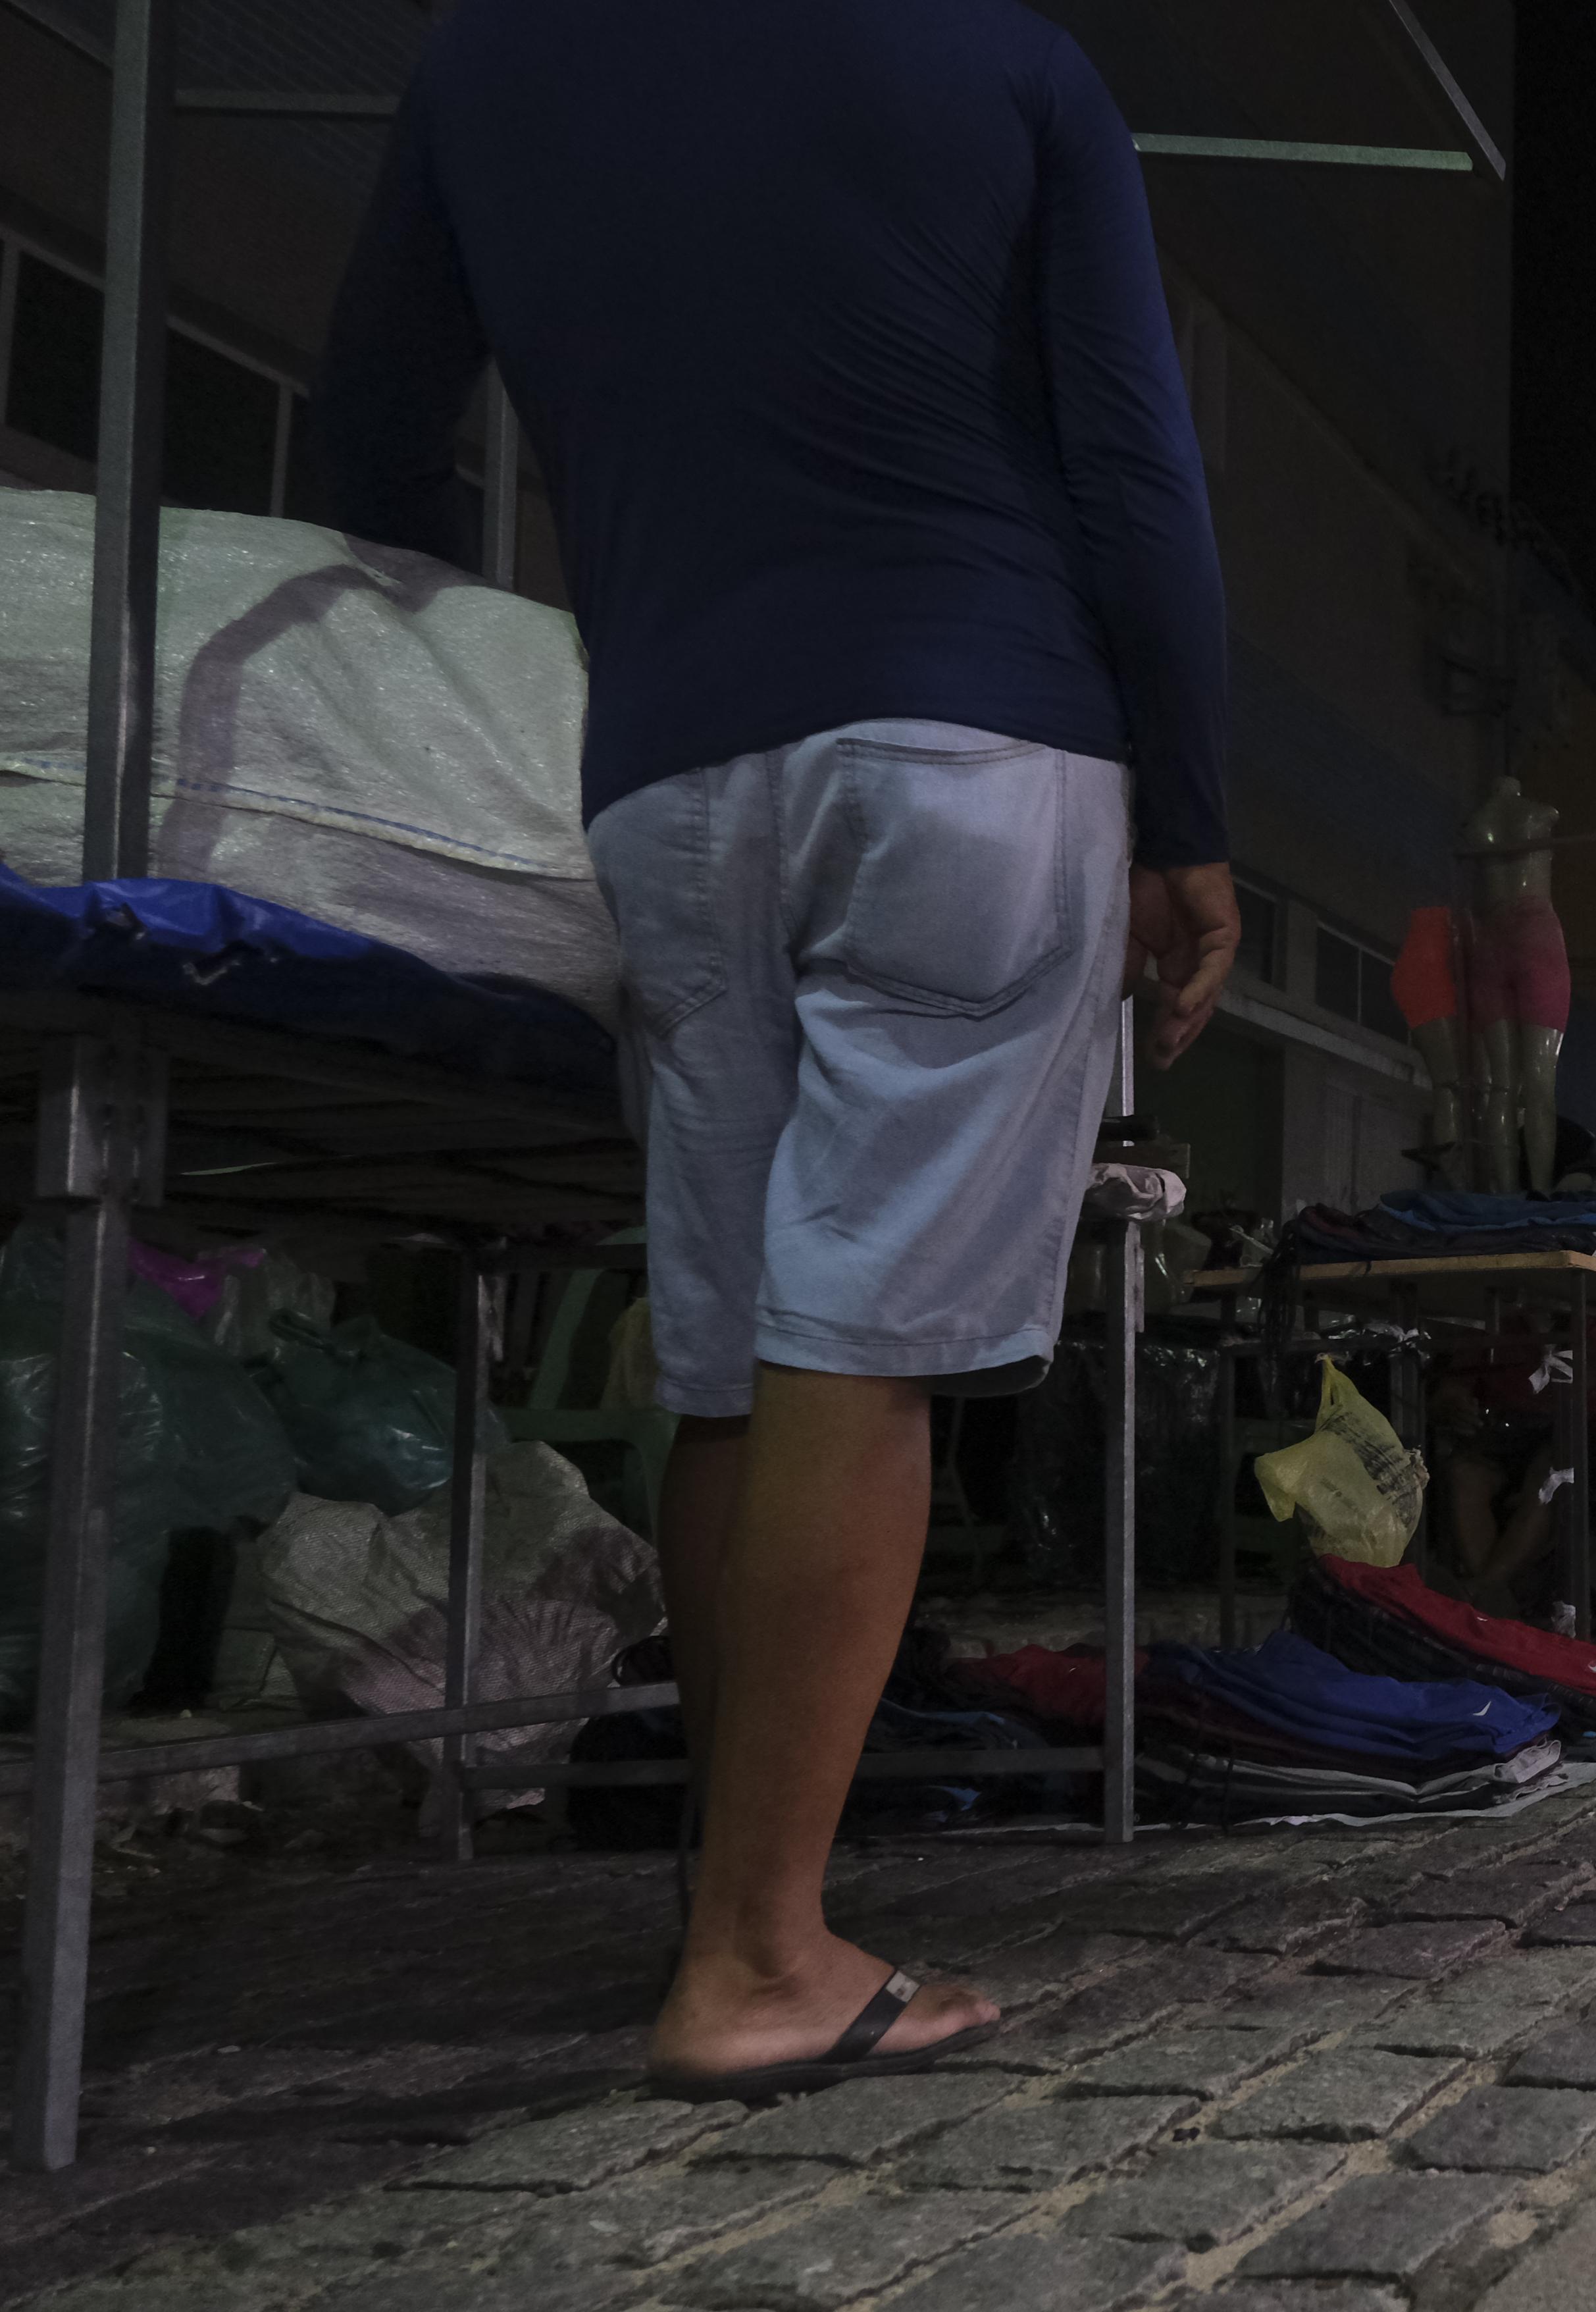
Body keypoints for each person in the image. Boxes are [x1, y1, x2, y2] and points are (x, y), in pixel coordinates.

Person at [315, 0, 1240, 2097]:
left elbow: (369, 445)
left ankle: (738, 1899)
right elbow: (1134, 464)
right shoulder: (1001, 62)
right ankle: (756, 1954)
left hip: (663, 772)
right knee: (865, 1335)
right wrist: (1187, 819)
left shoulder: (485, 70)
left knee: (729, 1343)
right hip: (974, 738)